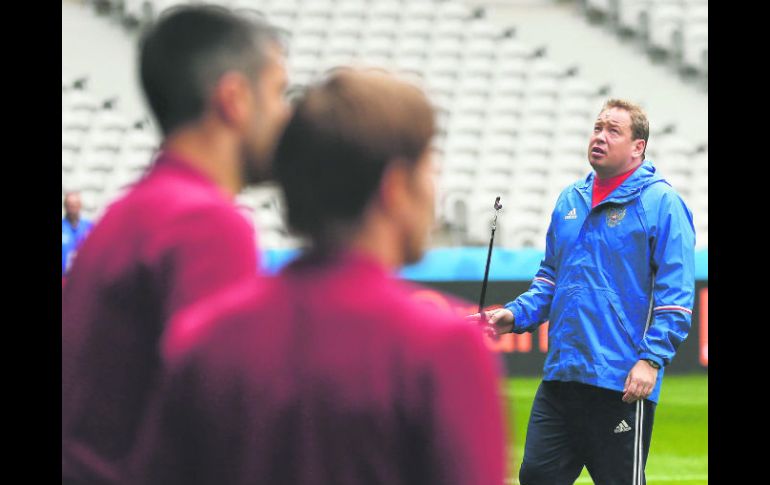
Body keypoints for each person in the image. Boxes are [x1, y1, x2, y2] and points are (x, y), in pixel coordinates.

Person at [134, 69, 507, 485]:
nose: (435, 189)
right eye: (429, 169)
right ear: (396, 187)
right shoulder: (442, 349)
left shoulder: (202, 338)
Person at [61, 6, 289, 484]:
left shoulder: (131, 215)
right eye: (278, 93)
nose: (285, 114)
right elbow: (225, 429)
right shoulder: (204, 226)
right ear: (234, 99)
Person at [478, 99, 695, 485]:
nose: (600, 136)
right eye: (597, 128)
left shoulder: (663, 203)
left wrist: (651, 360)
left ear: (637, 147)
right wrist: (513, 316)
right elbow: (550, 279)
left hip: (621, 383)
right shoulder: (569, 200)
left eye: (613, 130)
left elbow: (675, 298)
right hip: (562, 375)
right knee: (536, 477)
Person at [62, 191, 94, 276]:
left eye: (75, 204)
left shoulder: (89, 227)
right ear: (65, 206)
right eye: (69, 204)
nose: (72, 207)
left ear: (80, 206)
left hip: (84, 278)